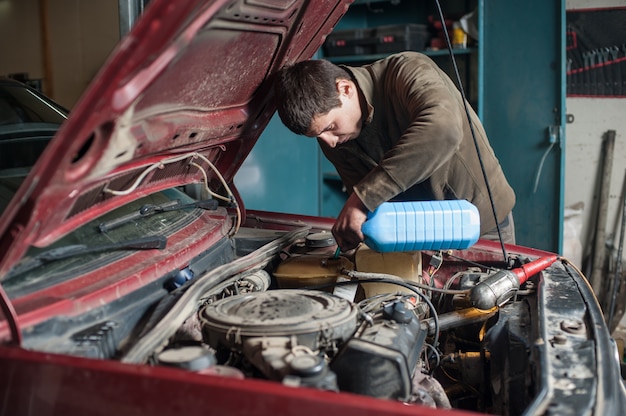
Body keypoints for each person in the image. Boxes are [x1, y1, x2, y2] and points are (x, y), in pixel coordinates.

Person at [274, 51, 516, 251]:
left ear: (345, 89)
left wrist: (361, 200)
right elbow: (375, 206)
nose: (329, 142)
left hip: (480, 226)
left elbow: (443, 130)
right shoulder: (335, 140)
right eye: (318, 136)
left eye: (330, 127)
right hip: (416, 239)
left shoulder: (407, 71)